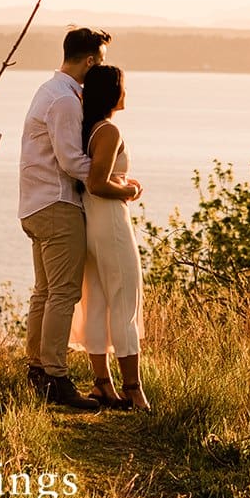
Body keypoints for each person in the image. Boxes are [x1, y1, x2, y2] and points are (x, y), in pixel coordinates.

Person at [17, 26, 141, 409]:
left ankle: (37, 368)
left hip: (35, 203)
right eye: (99, 61)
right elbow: (72, 161)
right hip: (56, 205)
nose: (100, 69)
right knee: (64, 294)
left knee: (44, 292)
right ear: (90, 60)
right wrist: (114, 181)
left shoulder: (49, 91)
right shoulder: (66, 101)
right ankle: (55, 377)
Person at [70, 64, 151, 411]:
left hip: (92, 223)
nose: (127, 93)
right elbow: (98, 182)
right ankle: (133, 388)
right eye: (124, 86)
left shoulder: (89, 130)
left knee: (98, 301)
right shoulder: (108, 131)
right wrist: (128, 190)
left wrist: (120, 185)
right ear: (112, 93)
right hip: (111, 223)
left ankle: (103, 384)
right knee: (124, 301)